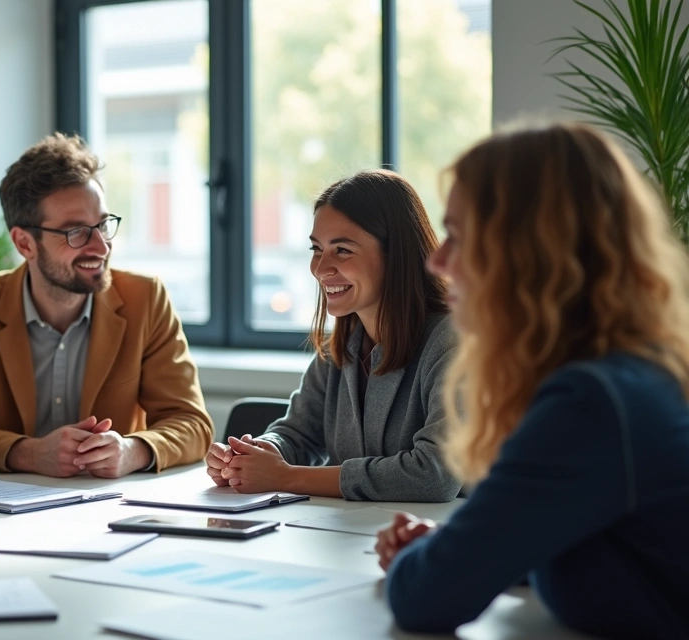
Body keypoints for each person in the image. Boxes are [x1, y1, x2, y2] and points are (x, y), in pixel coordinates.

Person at [377, 123, 689, 638]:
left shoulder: (587, 402)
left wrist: (433, 560)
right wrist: (457, 548)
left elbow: (423, 599)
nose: (437, 261)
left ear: (528, 252)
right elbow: (577, 537)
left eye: (458, 236)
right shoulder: (641, 372)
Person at [0, 133, 213, 477]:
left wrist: (132, 450)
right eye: (76, 232)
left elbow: (192, 423)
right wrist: (29, 454)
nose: (101, 247)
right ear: (24, 243)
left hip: (109, 501)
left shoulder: (145, 300)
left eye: (103, 225)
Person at [206, 170, 460, 501]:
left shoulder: (454, 343)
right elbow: (298, 435)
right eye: (317, 248)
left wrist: (286, 477)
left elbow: (435, 475)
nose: (321, 268)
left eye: (342, 250)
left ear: (396, 254)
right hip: (354, 528)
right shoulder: (342, 345)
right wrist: (252, 456)